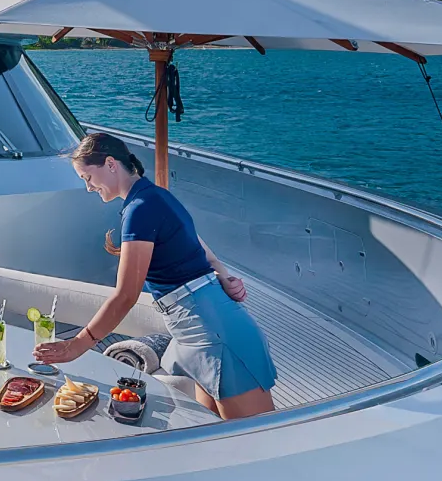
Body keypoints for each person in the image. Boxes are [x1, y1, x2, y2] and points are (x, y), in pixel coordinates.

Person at [34, 131, 278, 418]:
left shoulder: (141, 209)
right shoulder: (154, 197)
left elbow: (126, 295)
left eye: (88, 178)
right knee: (217, 439)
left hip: (214, 333)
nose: (88, 187)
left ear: (110, 164)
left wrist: (79, 345)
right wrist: (222, 275)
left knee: (255, 440)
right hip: (197, 330)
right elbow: (202, 249)